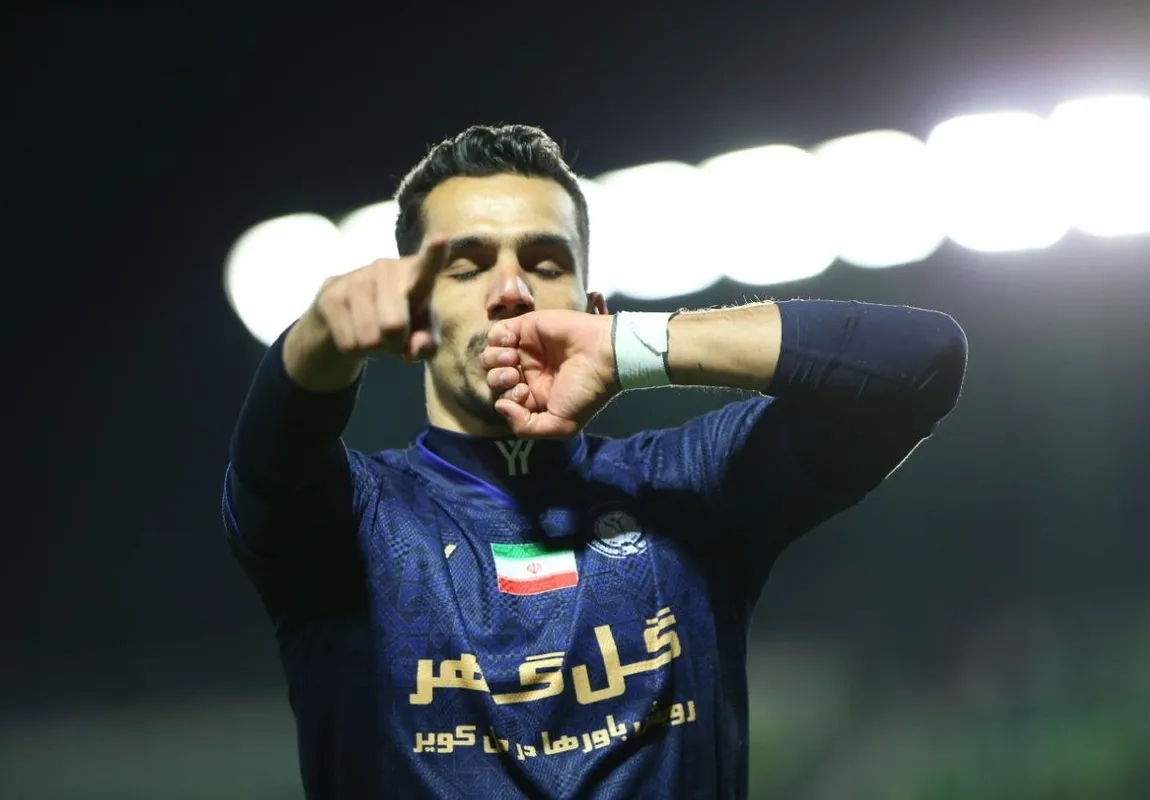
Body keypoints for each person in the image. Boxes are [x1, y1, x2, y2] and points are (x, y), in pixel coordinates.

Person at [222, 123, 968, 799]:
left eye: (545, 263)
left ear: (594, 310)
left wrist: (636, 348)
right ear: (416, 310)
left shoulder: (688, 486)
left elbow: (923, 363)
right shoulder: (348, 524)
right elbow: (272, 454)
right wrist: (320, 335)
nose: (511, 291)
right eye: (467, 266)